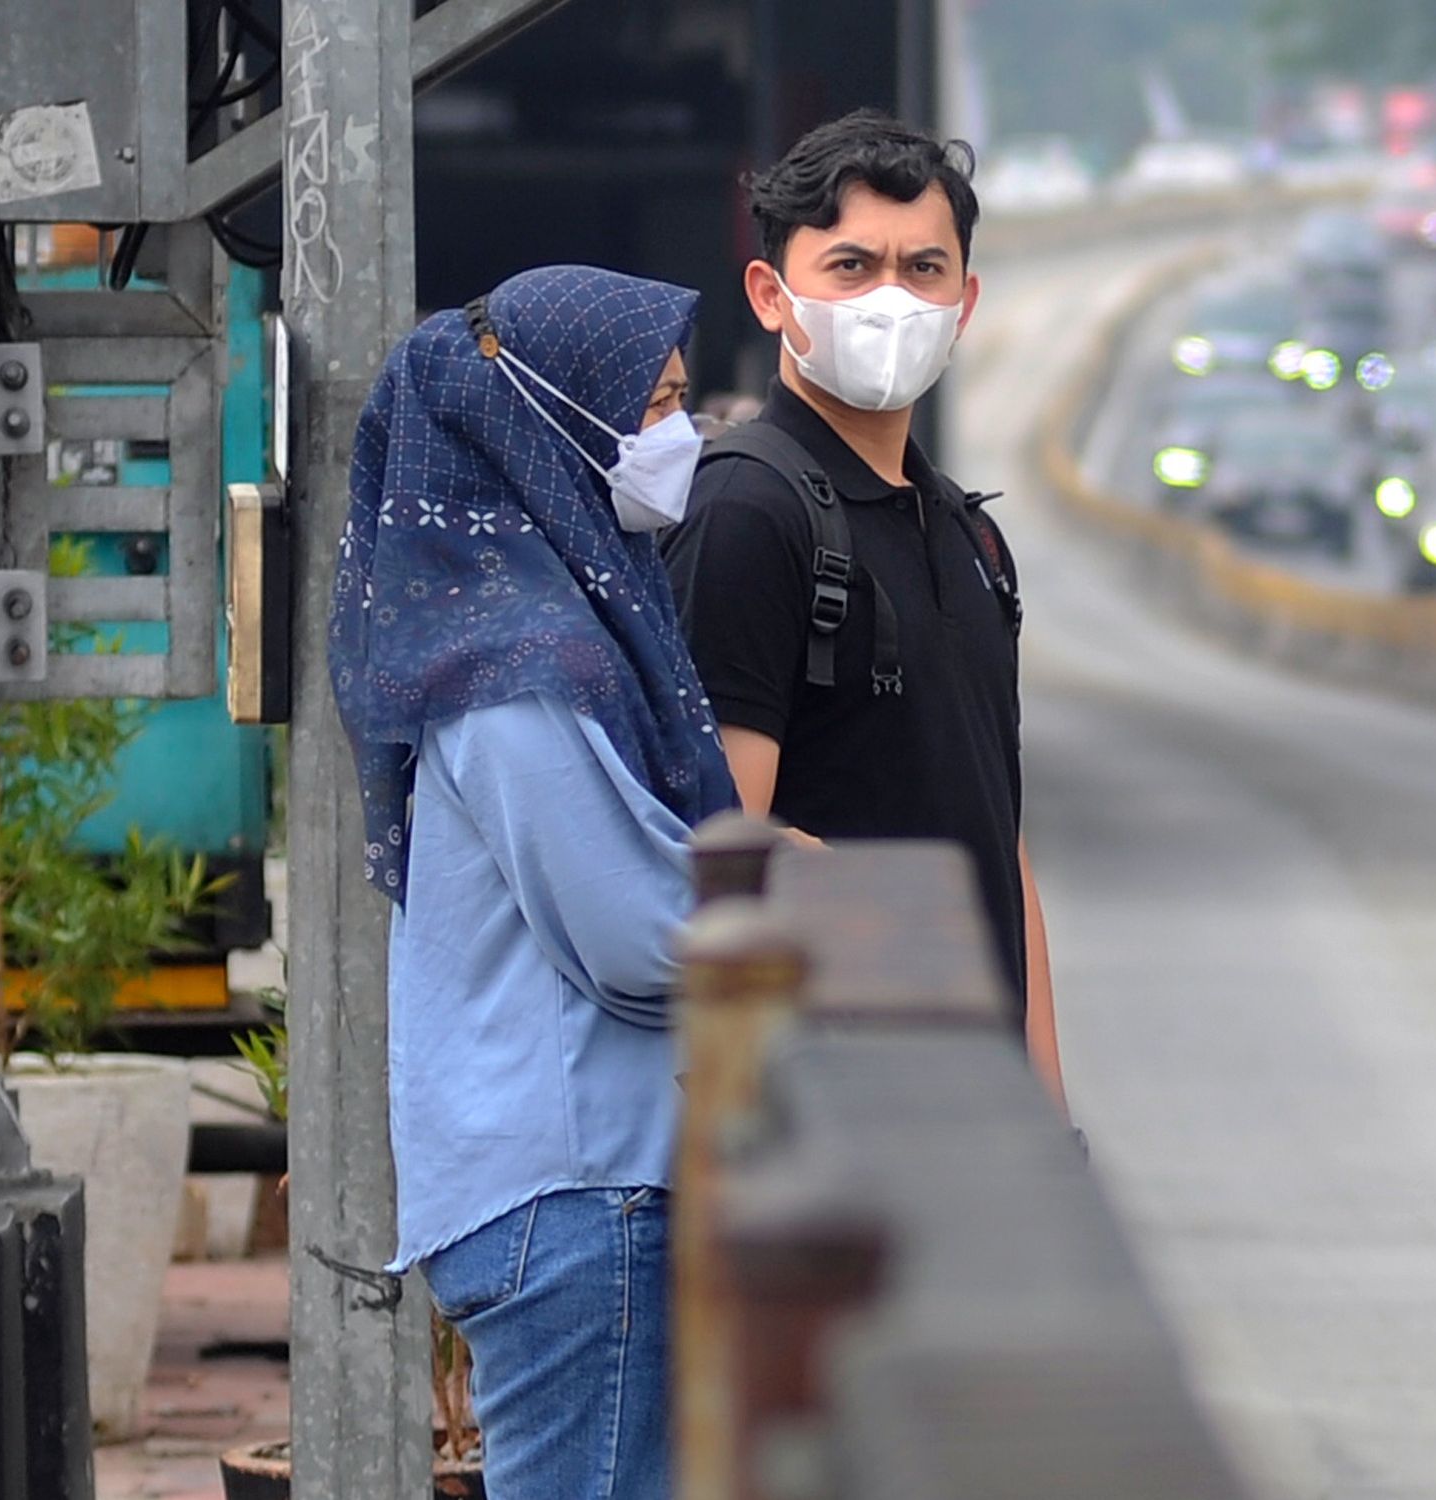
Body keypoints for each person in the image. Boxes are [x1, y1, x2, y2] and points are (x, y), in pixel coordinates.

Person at [331, 264, 734, 1500]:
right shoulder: (517, 665)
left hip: (586, 1199)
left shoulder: (542, 622)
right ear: (558, 417)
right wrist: (796, 912)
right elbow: (636, 940)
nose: (684, 433)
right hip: (583, 1202)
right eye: (656, 406)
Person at [661, 111, 1061, 1095]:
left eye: (923, 270)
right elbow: (719, 858)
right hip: (831, 1119)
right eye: (850, 266)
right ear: (771, 293)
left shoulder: (967, 534)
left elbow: (997, 843)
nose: (891, 297)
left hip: (975, 1112)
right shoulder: (748, 513)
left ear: (964, 303)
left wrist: (1046, 1112)